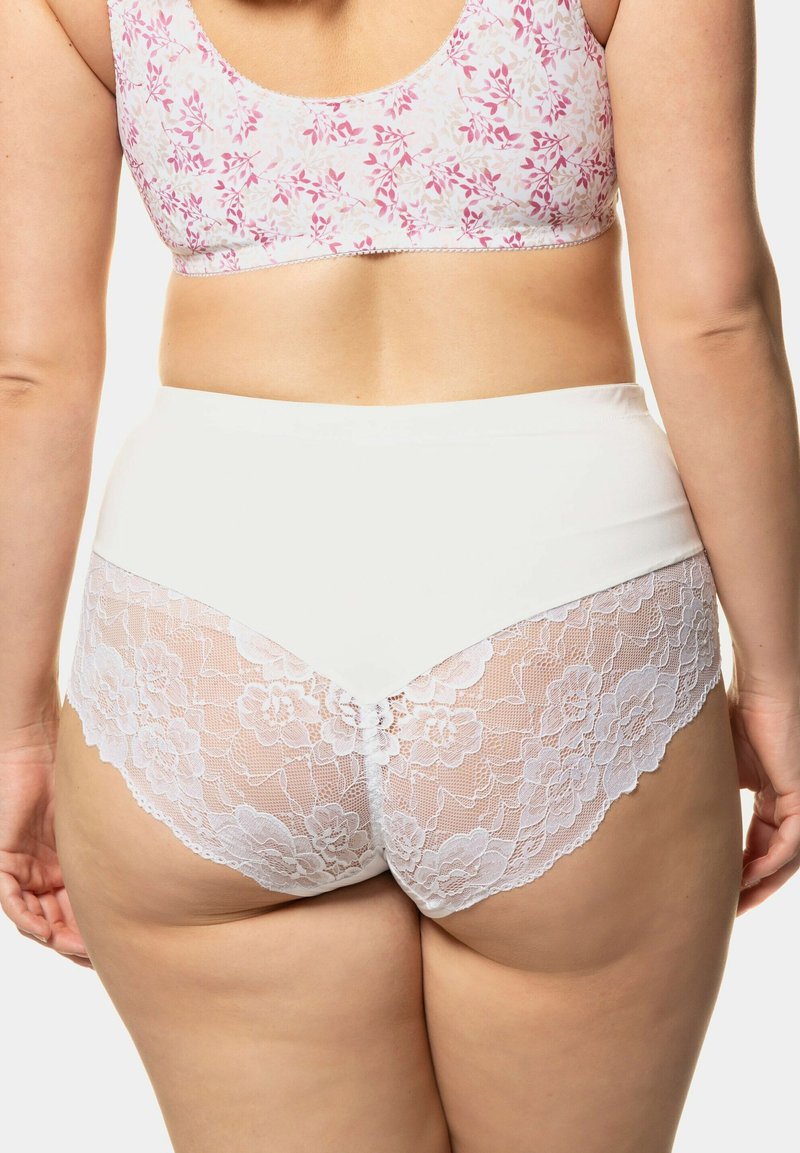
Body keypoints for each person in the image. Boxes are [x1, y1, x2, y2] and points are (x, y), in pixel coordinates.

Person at [1, 0, 798, 1150]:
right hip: (557, 602)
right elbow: (713, 320)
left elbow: (28, 373)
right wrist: (776, 676)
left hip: (204, 624)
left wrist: (17, 727)